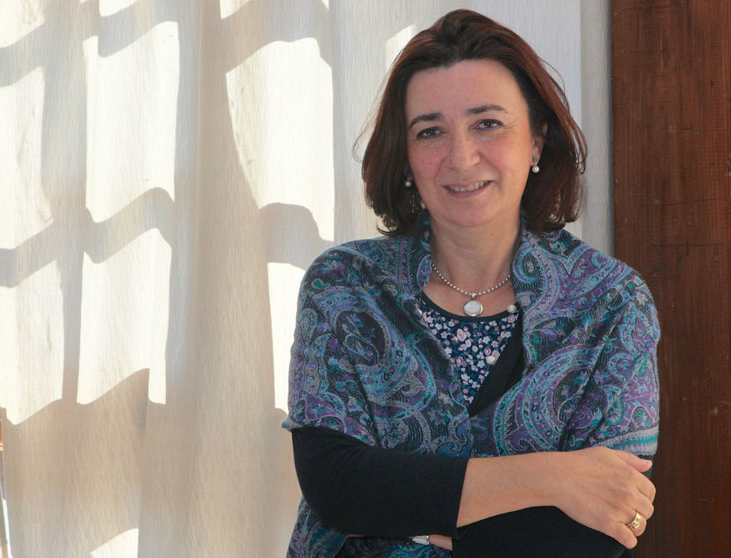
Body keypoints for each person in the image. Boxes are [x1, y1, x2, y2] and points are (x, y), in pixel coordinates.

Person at [281, 9, 660, 558]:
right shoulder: (344, 286)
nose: (461, 157)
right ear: (406, 156)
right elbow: (338, 490)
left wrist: (406, 517)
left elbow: (602, 526)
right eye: (430, 131)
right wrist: (551, 477)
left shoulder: (611, 302)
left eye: (487, 123)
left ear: (536, 141)